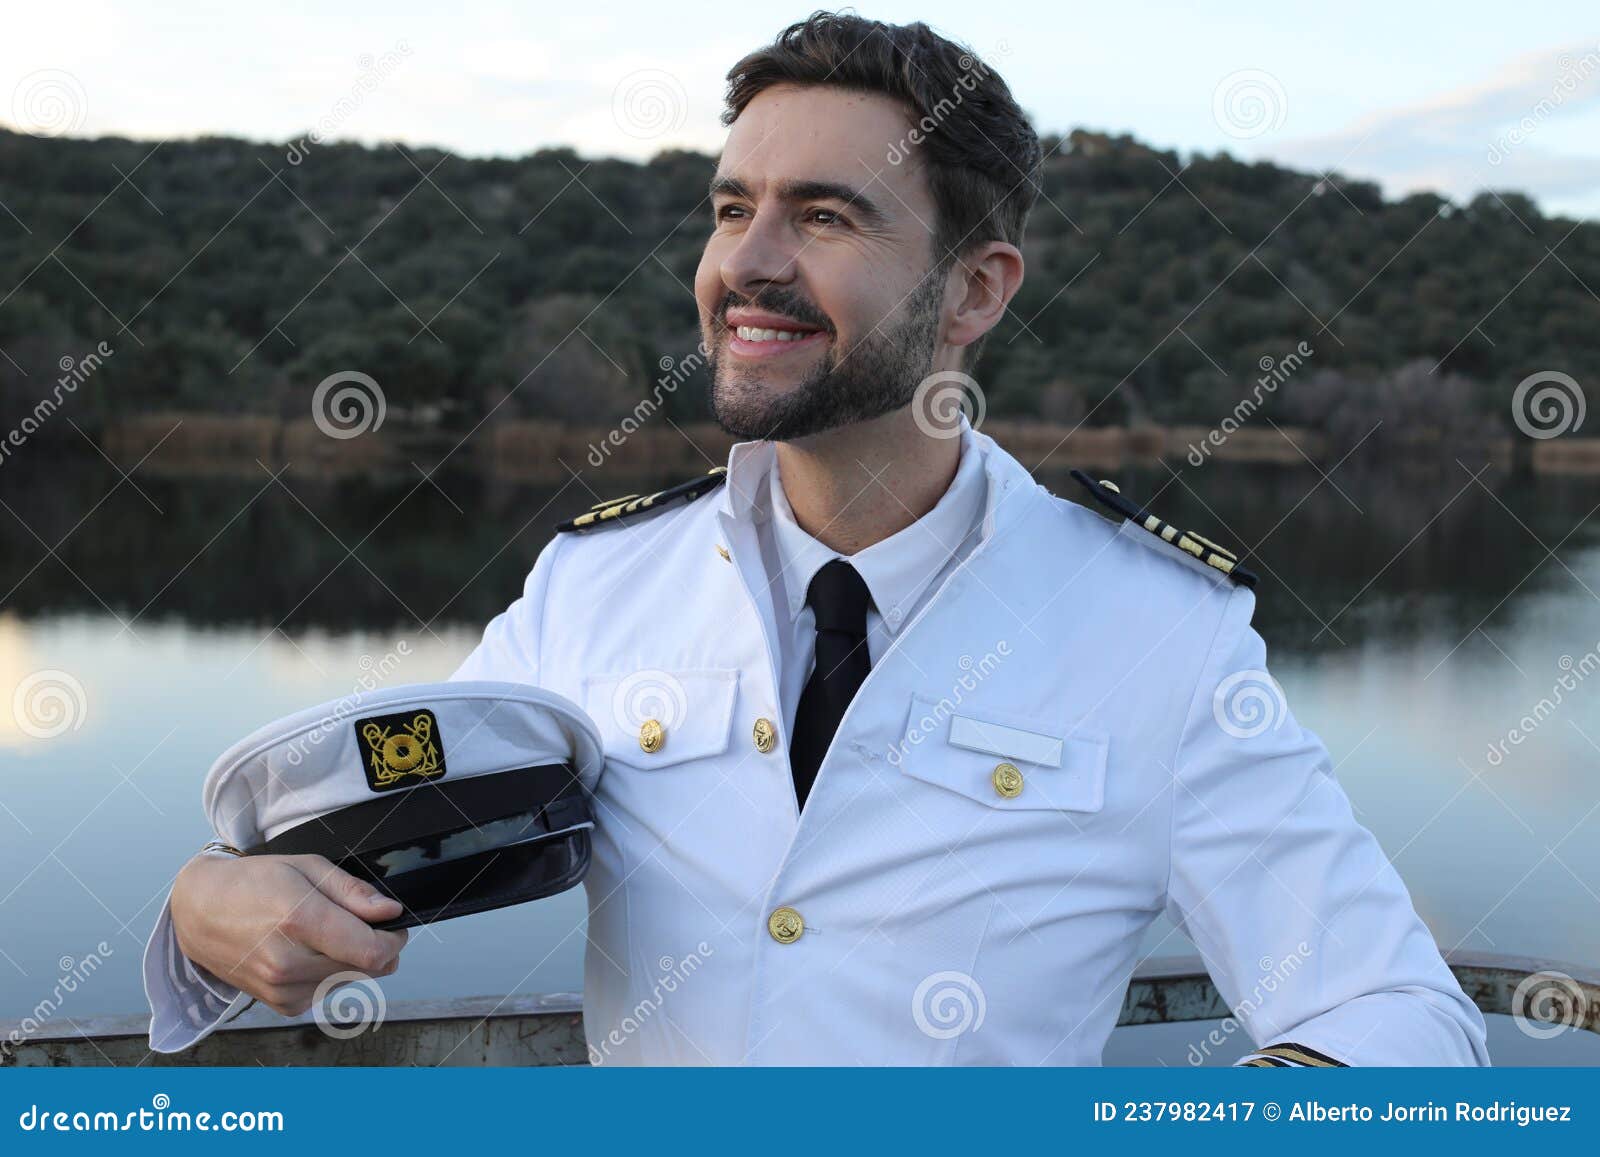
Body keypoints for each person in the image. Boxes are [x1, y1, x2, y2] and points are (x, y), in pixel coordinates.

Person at [148, 11, 1488, 1065]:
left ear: (974, 291)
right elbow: (361, 833)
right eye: (733, 208)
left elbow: (1394, 1011)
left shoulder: (1161, 634)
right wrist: (211, 907)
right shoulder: (594, 585)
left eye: (826, 215)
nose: (748, 261)